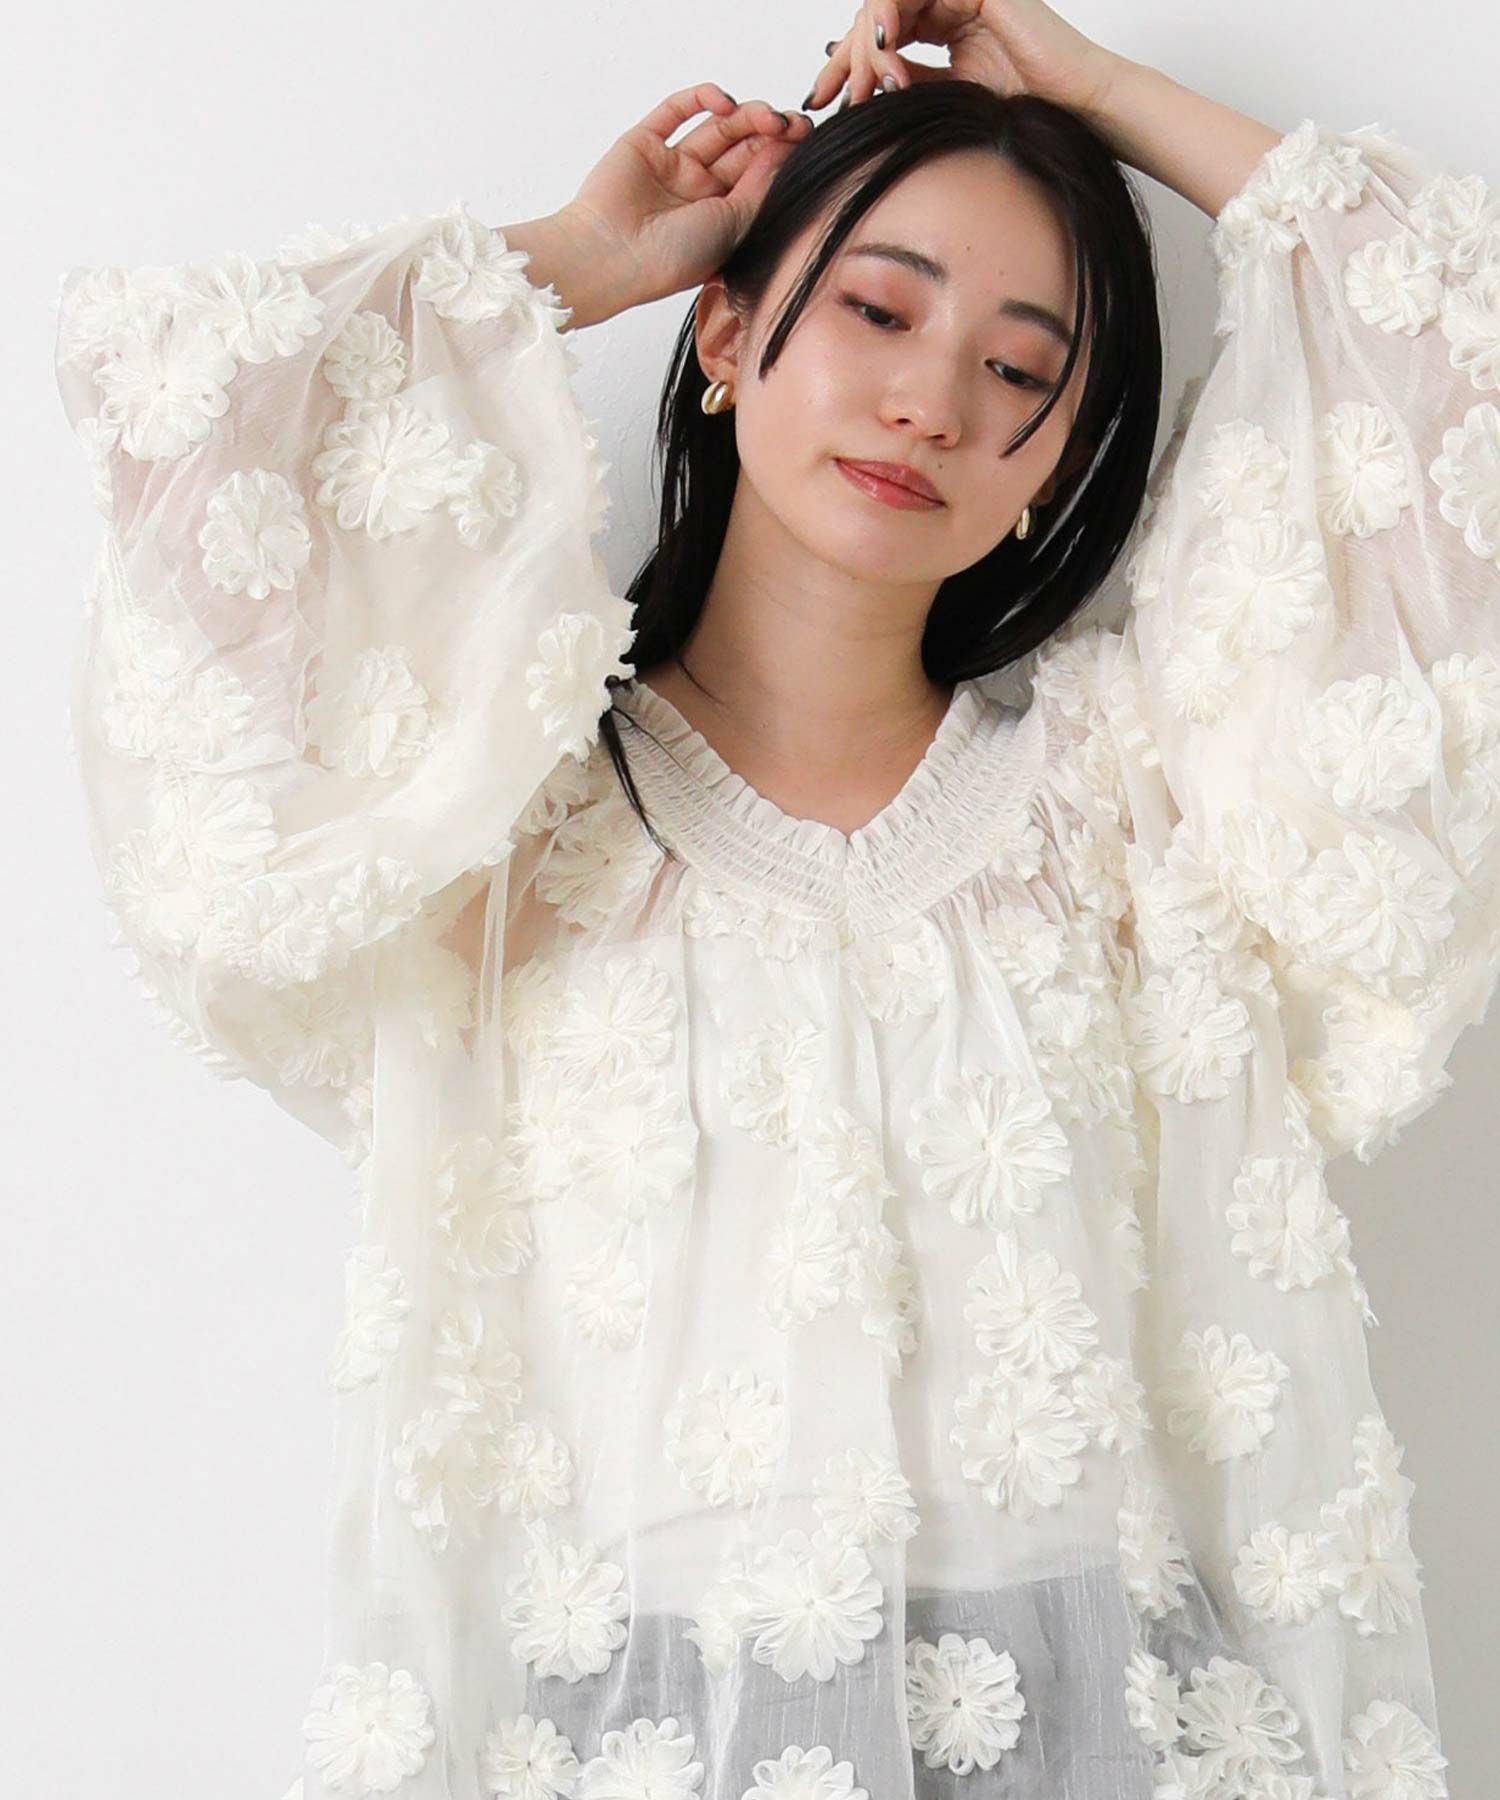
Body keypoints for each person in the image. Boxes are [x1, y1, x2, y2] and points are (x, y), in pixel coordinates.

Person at [50, 0, 1499, 1793]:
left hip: (1103, 1731)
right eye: (880, 311)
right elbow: (192, 430)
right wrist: (587, 257)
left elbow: (1445, 357)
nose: (929, 402)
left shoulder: (1134, 815)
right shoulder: (503, 834)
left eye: (1019, 371)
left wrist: (1096, 88)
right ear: (729, 331)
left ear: (1055, 463)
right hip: (644, 1733)